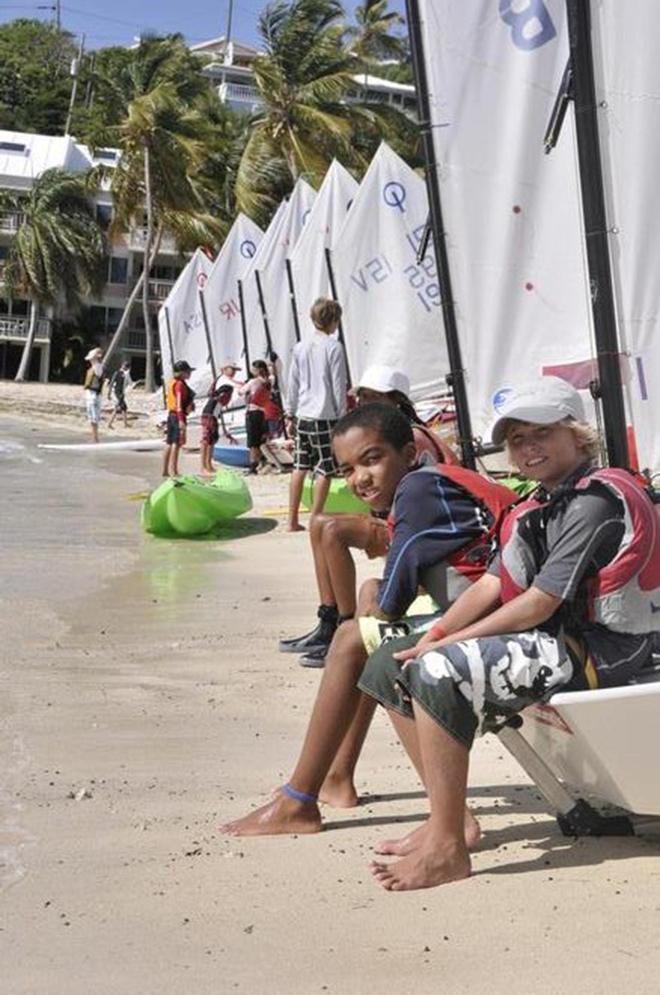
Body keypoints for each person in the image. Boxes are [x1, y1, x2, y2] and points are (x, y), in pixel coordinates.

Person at [352, 377, 659, 891]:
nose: (527, 448)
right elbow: (495, 584)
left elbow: (539, 602)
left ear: (577, 436)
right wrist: (442, 629)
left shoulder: (592, 502)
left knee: (438, 668)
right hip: (558, 637)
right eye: (516, 440)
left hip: (609, 648)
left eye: (540, 433)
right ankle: (449, 819)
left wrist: (446, 645)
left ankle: (448, 850)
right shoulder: (538, 506)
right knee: (390, 658)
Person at [221, 403, 516, 835]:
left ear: (408, 454)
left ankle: (301, 800)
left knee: (354, 640)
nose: (359, 478)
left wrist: (362, 621)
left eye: (372, 459)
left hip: (498, 623)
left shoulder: (417, 490)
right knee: (366, 601)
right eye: (347, 469)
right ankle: (337, 775)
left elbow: (395, 600)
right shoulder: (424, 484)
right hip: (485, 611)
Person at [280, 365, 460, 667]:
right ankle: (330, 620)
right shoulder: (381, 433)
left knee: (333, 530)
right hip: (407, 523)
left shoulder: (411, 436)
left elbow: (417, 508)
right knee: (320, 523)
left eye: (373, 397)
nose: (365, 404)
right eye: (362, 397)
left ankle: (346, 626)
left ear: (396, 400)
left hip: (427, 532)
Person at [285, 298, 348, 532]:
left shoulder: (300, 346)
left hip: (303, 414)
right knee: (325, 468)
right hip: (325, 415)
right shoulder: (333, 347)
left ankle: (292, 520)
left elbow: (292, 382)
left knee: (299, 466)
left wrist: (289, 413)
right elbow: (337, 385)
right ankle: (315, 518)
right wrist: (343, 418)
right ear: (332, 320)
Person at [162, 360, 195, 478]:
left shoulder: (172, 382)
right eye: (188, 372)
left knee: (169, 442)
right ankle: (174, 471)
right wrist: (181, 420)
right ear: (182, 373)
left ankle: (165, 470)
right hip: (177, 415)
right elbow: (179, 403)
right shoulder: (180, 385)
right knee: (176, 443)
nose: (190, 374)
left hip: (171, 414)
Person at [241, 360, 274, 474]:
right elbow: (273, 374)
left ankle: (252, 466)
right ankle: (262, 461)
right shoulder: (269, 381)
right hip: (262, 412)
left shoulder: (253, 382)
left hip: (252, 412)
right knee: (260, 439)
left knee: (252, 442)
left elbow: (241, 392)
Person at [83, 347, 105, 443]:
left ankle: (95, 439)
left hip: (94, 395)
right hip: (91, 394)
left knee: (94, 417)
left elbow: (99, 353)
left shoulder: (97, 367)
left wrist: (97, 353)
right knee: (91, 417)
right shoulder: (94, 367)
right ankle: (94, 437)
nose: (90, 360)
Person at [107, 359, 132, 430]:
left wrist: (109, 393)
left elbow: (111, 383)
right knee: (117, 408)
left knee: (123, 408)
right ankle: (109, 424)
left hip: (118, 393)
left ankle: (125, 424)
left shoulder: (118, 373)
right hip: (118, 394)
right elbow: (130, 384)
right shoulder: (125, 374)